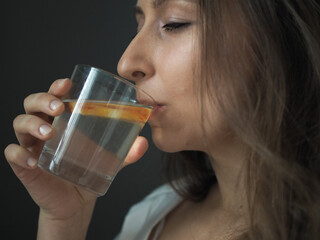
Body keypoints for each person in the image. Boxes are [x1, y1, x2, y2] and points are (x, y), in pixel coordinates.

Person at [4, 0, 320, 239]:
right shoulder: (152, 216)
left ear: (277, 36)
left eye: (174, 23)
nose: (126, 63)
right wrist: (63, 223)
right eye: (139, 25)